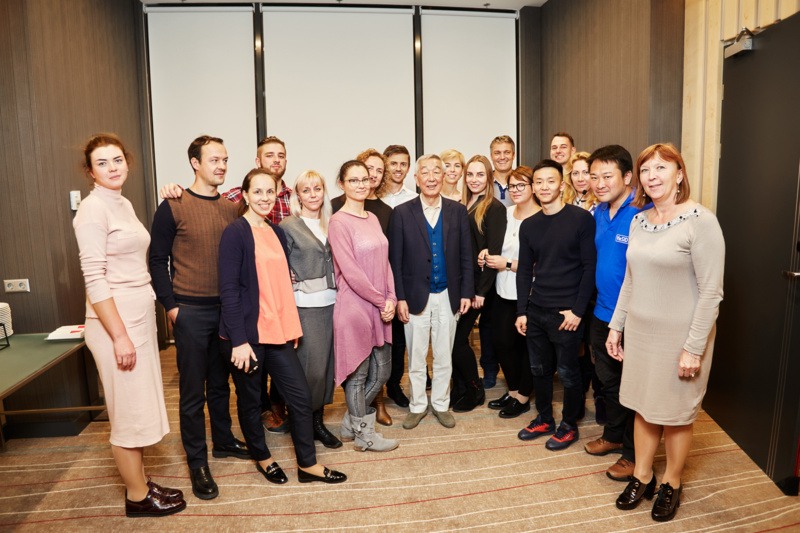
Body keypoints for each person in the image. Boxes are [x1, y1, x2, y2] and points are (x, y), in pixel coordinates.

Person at [608, 143, 724, 522]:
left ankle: (672, 481)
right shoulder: (638, 220)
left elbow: (711, 292)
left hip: (681, 338)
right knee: (643, 407)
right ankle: (643, 475)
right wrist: (616, 325)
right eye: (645, 169)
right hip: (641, 334)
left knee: (675, 414)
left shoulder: (701, 221)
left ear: (679, 174)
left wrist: (693, 348)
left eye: (661, 167)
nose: (652, 176)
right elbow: (630, 280)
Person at [74, 134, 185, 517]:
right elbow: (94, 278)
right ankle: (137, 497)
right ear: (90, 171)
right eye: (102, 163)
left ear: (128, 162)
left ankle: (140, 482)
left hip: (136, 319)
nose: (112, 167)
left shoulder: (121, 202)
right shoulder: (92, 210)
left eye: (117, 159)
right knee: (126, 412)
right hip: (115, 325)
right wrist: (120, 337)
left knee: (137, 406)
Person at [218, 168, 347, 485]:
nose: (264, 198)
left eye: (269, 192)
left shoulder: (275, 232)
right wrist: (239, 341)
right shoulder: (235, 233)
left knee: (300, 399)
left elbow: (282, 285)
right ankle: (263, 458)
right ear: (245, 195)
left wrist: (291, 329)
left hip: (277, 332)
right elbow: (229, 290)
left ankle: (307, 465)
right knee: (251, 402)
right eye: (257, 191)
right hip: (247, 336)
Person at [149, 135, 249, 501]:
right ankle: (197, 463)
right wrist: (171, 307)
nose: (221, 166)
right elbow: (156, 260)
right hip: (189, 311)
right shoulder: (173, 205)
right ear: (195, 163)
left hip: (226, 312)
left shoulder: (231, 208)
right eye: (214, 160)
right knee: (193, 393)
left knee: (221, 385)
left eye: (225, 160)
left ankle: (223, 440)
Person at [515, 159, 596, 451]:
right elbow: (525, 271)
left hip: (567, 313)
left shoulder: (581, 219)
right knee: (539, 369)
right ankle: (545, 419)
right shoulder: (529, 225)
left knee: (568, 372)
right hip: (536, 309)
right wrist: (522, 311)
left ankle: (569, 425)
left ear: (562, 185)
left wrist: (578, 311)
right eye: (538, 182)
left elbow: (590, 268)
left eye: (550, 181)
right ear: (533, 187)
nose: (544, 186)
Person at [389, 154, 473, 429]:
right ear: (416, 178)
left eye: (437, 171)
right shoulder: (402, 213)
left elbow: (466, 255)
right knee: (415, 356)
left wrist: (466, 292)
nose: (432, 177)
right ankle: (417, 406)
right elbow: (395, 261)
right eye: (425, 172)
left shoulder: (457, 211)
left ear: (444, 176)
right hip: (414, 297)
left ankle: (440, 404)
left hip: (449, 295)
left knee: (444, 355)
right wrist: (400, 297)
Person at [583, 145, 645, 481]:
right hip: (602, 311)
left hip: (634, 317)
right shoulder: (599, 212)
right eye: (594, 177)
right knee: (608, 383)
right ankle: (613, 435)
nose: (599, 183)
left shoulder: (644, 211)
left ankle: (634, 455)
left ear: (627, 176)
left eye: (607, 176)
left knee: (634, 387)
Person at [329, 160, 399, 452]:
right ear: (342, 184)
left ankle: (351, 422)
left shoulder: (372, 217)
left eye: (364, 179)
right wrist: (382, 300)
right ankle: (364, 436)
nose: (360, 185)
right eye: (353, 180)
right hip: (355, 307)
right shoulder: (338, 222)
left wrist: (391, 298)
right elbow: (351, 272)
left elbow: (385, 262)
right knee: (357, 377)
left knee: (382, 372)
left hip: (380, 305)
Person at [279, 170, 341, 449]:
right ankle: (303, 423)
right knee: (310, 370)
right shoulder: (289, 225)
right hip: (306, 307)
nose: (313, 194)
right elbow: (277, 264)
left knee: (326, 368)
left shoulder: (332, 222)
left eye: (318, 188)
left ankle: (317, 422)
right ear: (298, 195)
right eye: (306, 190)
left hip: (334, 304)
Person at [480, 166, 540, 419]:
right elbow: (493, 244)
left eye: (521, 185)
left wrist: (506, 263)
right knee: (503, 343)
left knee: (527, 348)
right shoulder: (504, 213)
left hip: (530, 293)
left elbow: (544, 265)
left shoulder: (542, 218)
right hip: (502, 290)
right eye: (512, 186)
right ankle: (513, 390)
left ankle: (523, 396)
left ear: (533, 187)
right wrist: (485, 253)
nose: (515, 190)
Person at [451, 155, 507, 412]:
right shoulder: (462, 205)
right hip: (461, 283)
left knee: (458, 340)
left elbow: (493, 252)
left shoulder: (494, 208)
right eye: (470, 174)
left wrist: (481, 292)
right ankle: (460, 389)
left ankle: (474, 390)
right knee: (452, 340)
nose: (474, 179)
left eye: (480, 174)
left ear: (489, 177)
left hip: (479, 287)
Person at [331, 149, 393, 236]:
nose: (374, 174)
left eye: (379, 171)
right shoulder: (335, 204)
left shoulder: (387, 211)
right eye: (369, 168)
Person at [489, 136, 515, 207]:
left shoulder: (523, 182)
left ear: (513, 155)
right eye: (497, 153)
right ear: (491, 156)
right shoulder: (484, 182)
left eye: (507, 152)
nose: (502, 157)